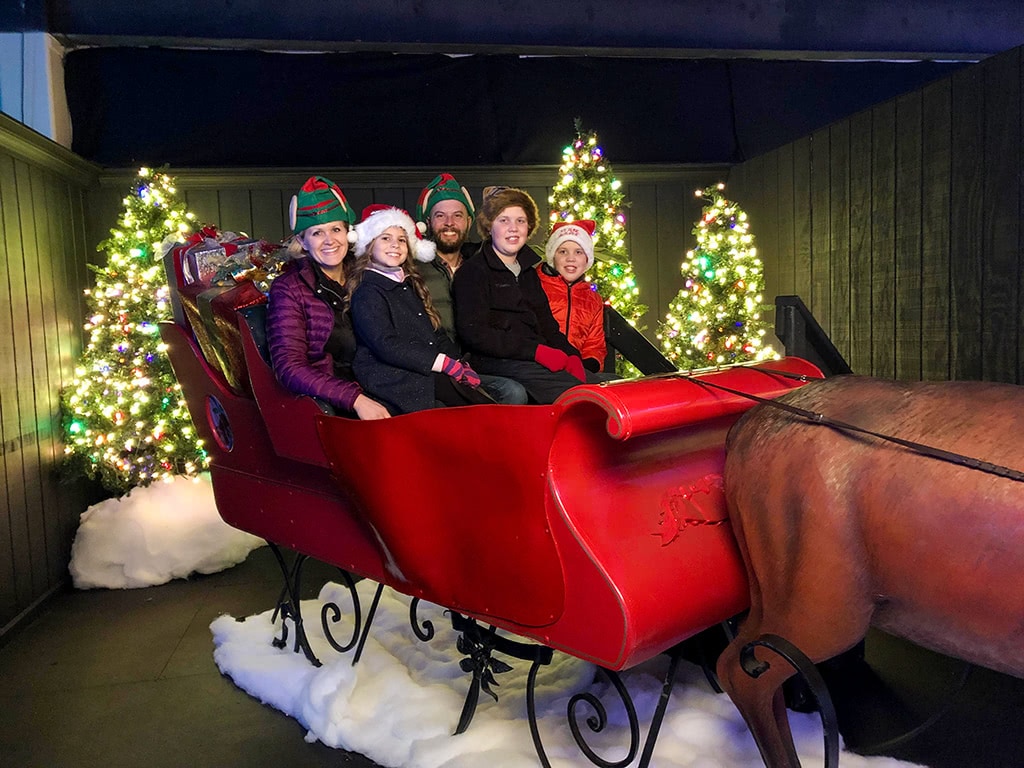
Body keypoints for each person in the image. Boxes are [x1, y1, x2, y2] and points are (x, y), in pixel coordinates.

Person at [452, 186, 603, 404]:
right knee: (583, 394)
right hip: (494, 360)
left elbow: (548, 326)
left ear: (529, 226)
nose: (513, 228)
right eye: (504, 220)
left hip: (532, 359)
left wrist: (571, 356)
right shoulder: (474, 271)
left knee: (605, 383)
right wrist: (536, 352)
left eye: (520, 221)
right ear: (489, 226)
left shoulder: (528, 273)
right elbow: (474, 334)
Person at [348, 204, 492, 415]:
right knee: (466, 409)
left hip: (423, 369)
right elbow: (385, 345)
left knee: (478, 400)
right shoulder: (368, 292)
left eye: (401, 240)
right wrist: (442, 363)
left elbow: (433, 332)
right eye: (385, 238)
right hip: (391, 376)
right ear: (369, 245)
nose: (395, 245)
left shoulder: (407, 285)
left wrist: (458, 362)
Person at [266, 176, 390, 420]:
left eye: (335, 229)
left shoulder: (367, 274)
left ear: (348, 233)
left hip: (383, 382)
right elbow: (289, 367)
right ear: (302, 241)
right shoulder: (289, 289)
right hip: (337, 399)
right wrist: (355, 399)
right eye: (317, 233)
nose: (329, 240)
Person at [414, 173, 527, 405]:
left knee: (518, 388)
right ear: (426, 223)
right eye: (440, 216)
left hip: (482, 360)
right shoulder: (414, 269)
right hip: (437, 365)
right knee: (510, 392)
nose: (449, 223)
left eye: (457, 215)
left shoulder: (482, 264)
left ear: (468, 221)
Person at [536, 219, 611, 375]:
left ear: (587, 259)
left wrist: (587, 366)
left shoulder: (593, 300)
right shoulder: (534, 286)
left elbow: (595, 345)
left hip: (577, 369)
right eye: (563, 251)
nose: (571, 258)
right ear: (552, 256)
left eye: (578, 252)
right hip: (541, 367)